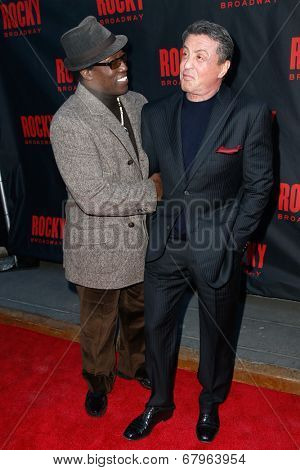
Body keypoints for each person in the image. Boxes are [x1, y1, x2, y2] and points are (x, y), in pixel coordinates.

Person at [124, 20, 273, 442]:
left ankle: (209, 402)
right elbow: (149, 174)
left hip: (217, 247)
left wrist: (231, 240)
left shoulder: (249, 115)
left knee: (216, 333)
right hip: (165, 246)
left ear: (223, 67)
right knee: (155, 327)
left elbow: (259, 186)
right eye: (185, 53)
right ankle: (159, 403)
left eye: (200, 56)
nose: (186, 63)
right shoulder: (155, 113)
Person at [50, 16, 162, 418]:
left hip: (139, 239)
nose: (124, 67)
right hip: (98, 244)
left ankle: (137, 366)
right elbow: (94, 196)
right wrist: (153, 191)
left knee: (138, 311)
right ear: (86, 73)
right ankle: (98, 382)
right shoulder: (68, 123)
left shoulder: (138, 102)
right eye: (113, 62)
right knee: (99, 324)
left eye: (123, 58)